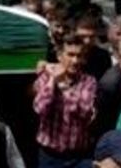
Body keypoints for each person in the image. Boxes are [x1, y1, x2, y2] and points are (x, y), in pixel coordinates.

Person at [33, 35, 99, 168]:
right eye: (70, 55)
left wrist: (63, 86)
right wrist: (53, 80)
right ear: (60, 56)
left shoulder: (89, 81)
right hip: (50, 156)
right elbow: (40, 108)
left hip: (78, 156)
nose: (75, 61)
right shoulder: (46, 77)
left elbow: (84, 112)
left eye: (79, 56)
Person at [75, 15, 114, 81]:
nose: (87, 41)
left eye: (91, 37)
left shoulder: (103, 56)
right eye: (82, 36)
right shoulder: (66, 55)